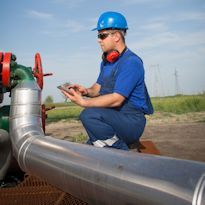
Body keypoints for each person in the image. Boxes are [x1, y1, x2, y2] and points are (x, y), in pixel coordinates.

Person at [61, 11, 153, 151]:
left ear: (116, 36)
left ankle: (123, 155)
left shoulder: (131, 62)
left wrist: (85, 102)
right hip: (115, 117)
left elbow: (116, 99)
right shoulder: (107, 62)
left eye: (102, 36)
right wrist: (85, 91)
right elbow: (97, 89)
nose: (98, 40)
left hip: (131, 121)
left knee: (89, 115)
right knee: (89, 149)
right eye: (98, 36)